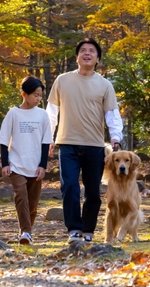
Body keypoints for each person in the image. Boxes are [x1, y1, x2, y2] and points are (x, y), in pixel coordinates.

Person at [47, 38, 123, 243]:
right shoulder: (62, 80)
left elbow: (112, 114)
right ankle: (74, 229)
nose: (87, 53)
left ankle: (88, 230)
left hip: (94, 145)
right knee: (69, 186)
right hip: (67, 143)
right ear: (77, 57)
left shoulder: (105, 85)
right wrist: (48, 138)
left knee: (92, 191)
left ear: (98, 58)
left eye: (91, 51)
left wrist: (115, 138)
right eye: (83, 50)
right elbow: (52, 112)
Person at [0, 76, 52, 245]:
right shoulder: (13, 114)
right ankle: (26, 232)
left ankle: (27, 231)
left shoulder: (43, 115)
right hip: (16, 165)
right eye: (35, 95)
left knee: (33, 203)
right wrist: (5, 164)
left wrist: (43, 166)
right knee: (21, 197)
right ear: (24, 94)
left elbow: (45, 143)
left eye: (40, 95)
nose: (38, 98)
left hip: (35, 166)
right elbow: (4, 141)